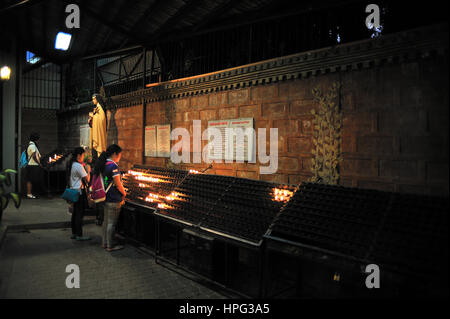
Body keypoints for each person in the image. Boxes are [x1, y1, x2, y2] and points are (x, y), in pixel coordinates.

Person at [94, 144, 126, 252]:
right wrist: (124, 193)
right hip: (113, 198)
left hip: (104, 197)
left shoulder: (103, 164)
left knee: (106, 221)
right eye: (120, 155)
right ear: (115, 154)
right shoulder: (113, 166)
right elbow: (117, 183)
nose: (120, 157)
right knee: (112, 223)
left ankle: (105, 243)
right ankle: (110, 245)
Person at [68, 147, 91, 241]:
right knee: (79, 214)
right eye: (83, 155)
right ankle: (79, 234)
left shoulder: (73, 164)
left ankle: (74, 233)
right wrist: (88, 170)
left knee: (75, 213)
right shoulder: (78, 166)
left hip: (74, 190)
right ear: (78, 155)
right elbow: (87, 179)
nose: (83, 157)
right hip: (79, 191)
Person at [89, 94, 107, 162]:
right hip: (96, 131)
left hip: (99, 132)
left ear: (97, 99)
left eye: (94, 99)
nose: (93, 100)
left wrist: (93, 116)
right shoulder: (96, 108)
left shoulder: (100, 108)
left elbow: (102, 119)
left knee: (100, 148)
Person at [25, 132, 44, 198]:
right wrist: (39, 164)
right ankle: (30, 194)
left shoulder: (30, 144)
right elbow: (34, 156)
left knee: (30, 180)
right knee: (31, 180)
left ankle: (29, 194)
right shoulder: (32, 146)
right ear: (36, 139)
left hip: (31, 165)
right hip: (33, 165)